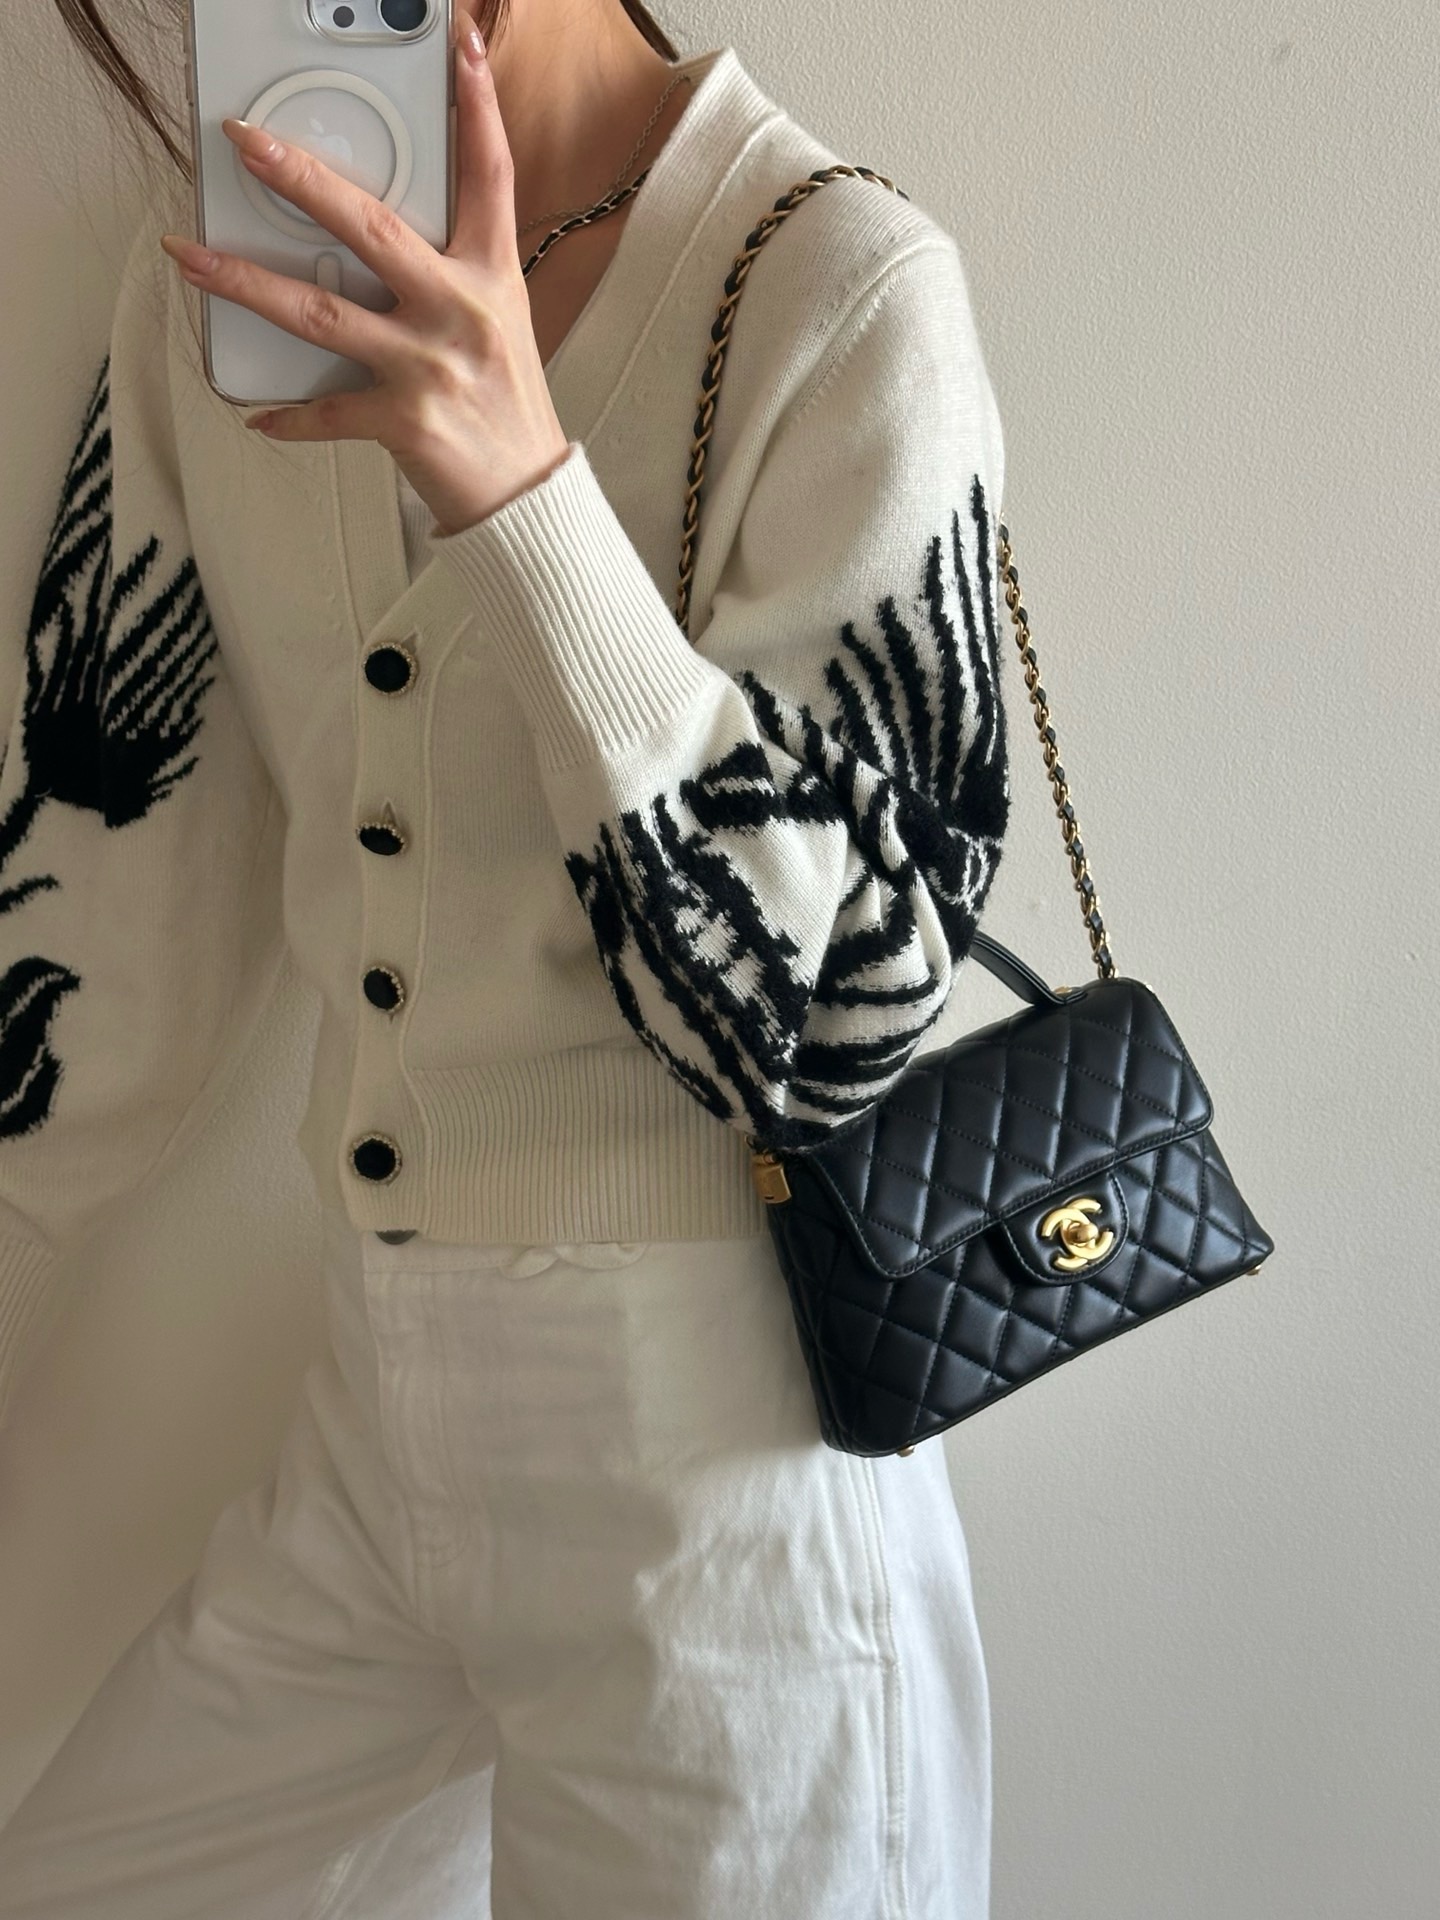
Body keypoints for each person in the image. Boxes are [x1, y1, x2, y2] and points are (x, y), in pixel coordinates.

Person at [0, 0, 1011, 1911]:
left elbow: (845, 1018)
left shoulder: (836, 286)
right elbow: (94, 927)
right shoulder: (207, 284)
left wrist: (522, 491)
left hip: (725, 1485)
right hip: (373, 1430)